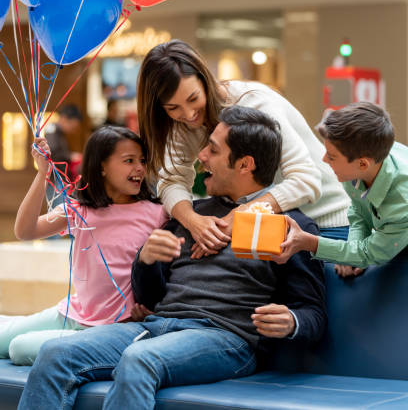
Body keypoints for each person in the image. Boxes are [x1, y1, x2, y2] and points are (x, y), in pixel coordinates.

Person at [17, 106, 326, 410]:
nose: (201, 156)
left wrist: (292, 322)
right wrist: (147, 260)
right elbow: (152, 295)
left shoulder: (290, 226)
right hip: (157, 325)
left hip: (225, 338)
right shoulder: (192, 214)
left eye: (213, 150)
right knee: (54, 354)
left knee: (141, 360)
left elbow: (313, 314)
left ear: (245, 164)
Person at [137, 39, 350, 255]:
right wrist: (194, 222)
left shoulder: (255, 103)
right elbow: (172, 180)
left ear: (205, 81)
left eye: (193, 99)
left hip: (327, 224)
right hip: (274, 230)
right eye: (173, 108)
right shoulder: (182, 125)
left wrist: (238, 217)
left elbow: (305, 180)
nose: (189, 114)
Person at [0, 126, 167, 366]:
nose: (139, 168)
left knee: (19, 348)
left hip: (108, 329)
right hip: (71, 313)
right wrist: (42, 174)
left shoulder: (157, 214)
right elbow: (25, 231)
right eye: (129, 161)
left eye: (142, 160)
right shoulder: (80, 211)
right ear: (102, 167)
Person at [268, 102, 408, 274]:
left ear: (363, 164)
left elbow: (370, 253)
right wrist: (350, 252)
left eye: (332, 156)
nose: (324, 160)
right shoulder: (361, 163)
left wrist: (310, 242)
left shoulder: (403, 203)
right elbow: (358, 212)